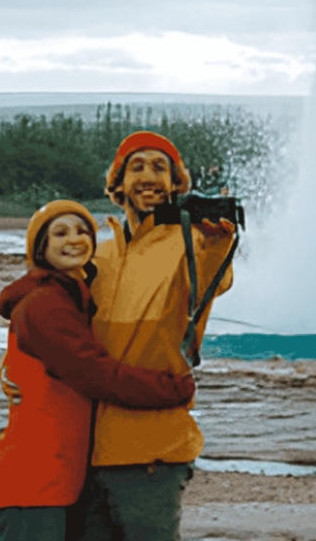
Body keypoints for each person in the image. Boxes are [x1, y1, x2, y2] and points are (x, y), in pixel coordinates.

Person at [0, 200, 196, 541]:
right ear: (41, 247)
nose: (75, 239)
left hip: (59, 480)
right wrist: (171, 389)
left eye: (83, 231)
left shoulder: (71, 298)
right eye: (60, 232)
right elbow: (96, 374)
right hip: (32, 482)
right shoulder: (43, 305)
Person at [78, 132, 236, 541]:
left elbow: (212, 278)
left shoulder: (190, 244)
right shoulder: (98, 255)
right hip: (84, 448)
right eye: (137, 167)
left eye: (160, 168)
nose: (149, 177)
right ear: (117, 185)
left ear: (177, 186)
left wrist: (218, 241)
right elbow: (58, 321)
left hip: (152, 449)